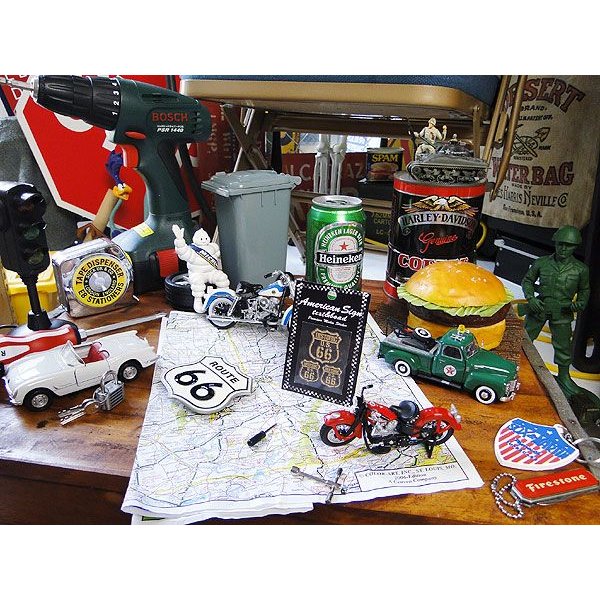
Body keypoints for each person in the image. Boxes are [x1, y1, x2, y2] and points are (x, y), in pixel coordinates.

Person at [521, 225, 590, 397]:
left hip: (562, 312)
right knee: (524, 338)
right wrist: (531, 299)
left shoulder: (580, 269)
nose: (563, 248)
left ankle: (564, 377)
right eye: (560, 244)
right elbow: (528, 281)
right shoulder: (542, 262)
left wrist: (580, 303)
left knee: (563, 345)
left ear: (575, 247)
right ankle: (517, 366)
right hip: (539, 308)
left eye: (568, 245)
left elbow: (584, 290)